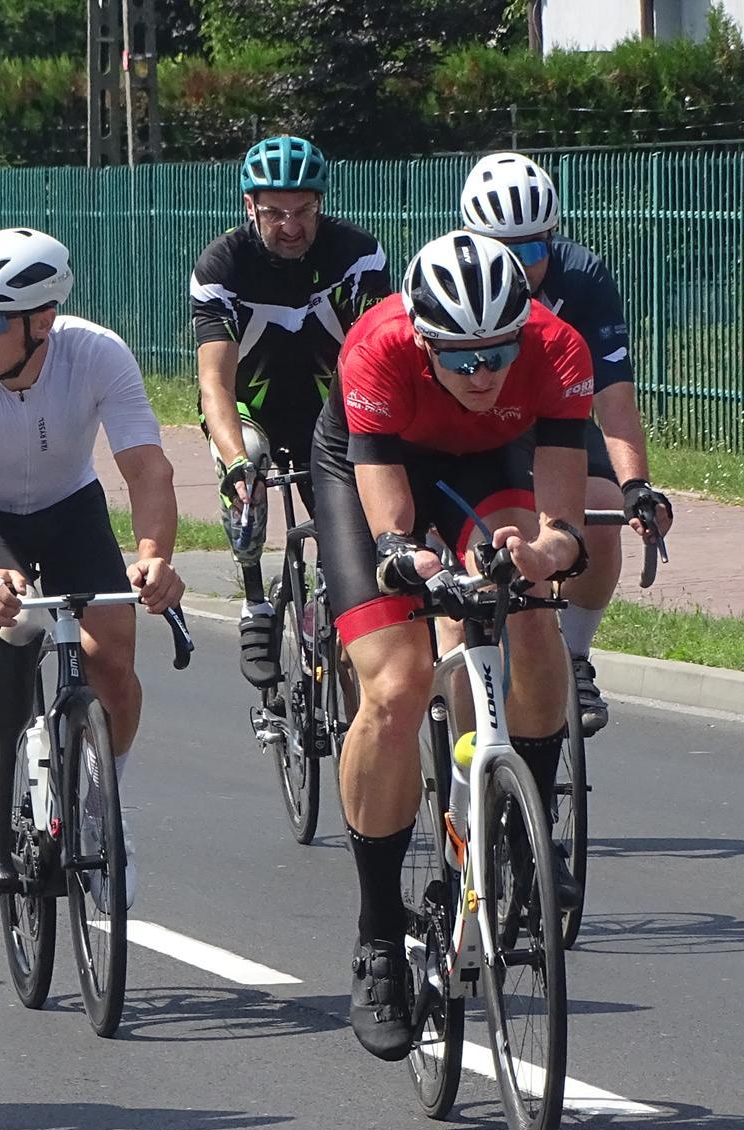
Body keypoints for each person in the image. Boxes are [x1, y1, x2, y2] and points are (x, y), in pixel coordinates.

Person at [309, 230, 592, 1061]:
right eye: (459, 356)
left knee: (532, 608)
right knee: (395, 688)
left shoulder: (555, 348)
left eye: (497, 350)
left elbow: (561, 515)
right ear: (422, 337)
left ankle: (519, 830)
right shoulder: (377, 348)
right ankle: (374, 940)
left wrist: (548, 550)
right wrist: (407, 555)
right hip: (372, 465)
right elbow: (389, 516)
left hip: (489, 466)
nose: (481, 372)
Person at [0, 228, 184, 899]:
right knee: (19, 624)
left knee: (112, 653)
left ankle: (100, 808)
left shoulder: (96, 355)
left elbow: (146, 468)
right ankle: (3, 808)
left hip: (68, 506)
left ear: (42, 322)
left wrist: (153, 557)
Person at [458, 152, 673, 733]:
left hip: (552, 416)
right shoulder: (449, 274)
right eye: (507, 252)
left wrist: (636, 487)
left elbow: (614, 395)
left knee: (598, 521)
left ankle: (574, 655)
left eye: (534, 249)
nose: (524, 267)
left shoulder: (582, 277)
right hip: (471, 423)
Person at [191, 135, 391, 687]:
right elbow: (215, 382)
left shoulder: (355, 253)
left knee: (348, 526)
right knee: (248, 468)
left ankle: (331, 606)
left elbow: (378, 352)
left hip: (329, 415)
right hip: (252, 409)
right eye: (275, 212)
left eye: (304, 210)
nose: (292, 225)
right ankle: (255, 603)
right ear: (249, 206)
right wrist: (235, 464)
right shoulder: (223, 265)